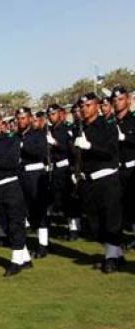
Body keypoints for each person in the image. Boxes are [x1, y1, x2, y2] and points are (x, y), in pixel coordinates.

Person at [73, 93, 124, 273]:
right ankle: (116, 254)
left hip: (106, 178)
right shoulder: (80, 127)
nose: (84, 109)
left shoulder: (107, 124)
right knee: (95, 223)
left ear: (96, 106)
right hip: (88, 181)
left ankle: (111, 257)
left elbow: (111, 151)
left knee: (111, 219)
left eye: (88, 105)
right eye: (82, 106)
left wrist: (90, 146)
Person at [0, 111, 33, 276]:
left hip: (10, 186)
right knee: (5, 225)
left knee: (15, 223)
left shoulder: (11, 139)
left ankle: (16, 261)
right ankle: (25, 258)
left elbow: (12, 162)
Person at [16, 107, 51, 258]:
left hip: (35, 174)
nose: (20, 121)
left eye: (23, 118)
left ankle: (43, 245)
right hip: (21, 174)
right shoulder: (15, 136)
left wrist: (24, 146)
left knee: (39, 209)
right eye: (18, 118)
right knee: (25, 210)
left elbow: (40, 152)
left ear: (30, 119)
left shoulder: (38, 134)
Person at [46, 104, 82, 240]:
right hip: (55, 168)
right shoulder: (51, 130)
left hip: (66, 167)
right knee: (59, 198)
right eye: (49, 114)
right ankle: (69, 225)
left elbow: (70, 149)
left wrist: (55, 143)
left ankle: (74, 228)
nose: (51, 116)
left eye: (53, 114)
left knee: (70, 198)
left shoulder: (66, 128)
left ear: (60, 114)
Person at [111, 86, 135, 242]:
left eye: (120, 99)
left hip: (133, 168)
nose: (117, 103)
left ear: (128, 100)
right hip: (115, 170)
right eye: (115, 100)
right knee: (119, 208)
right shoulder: (109, 123)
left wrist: (125, 138)